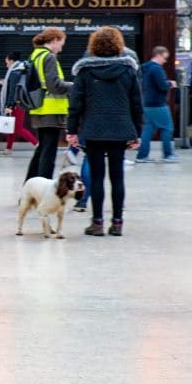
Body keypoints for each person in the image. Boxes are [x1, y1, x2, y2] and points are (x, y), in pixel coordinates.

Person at [66, 27, 142, 237]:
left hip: (93, 130)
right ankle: (117, 222)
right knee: (117, 177)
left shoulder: (84, 71)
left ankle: (97, 222)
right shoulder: (129, 71)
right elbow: (137, 103)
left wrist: (72, 130)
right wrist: (138, 132)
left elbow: (76, 103)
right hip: (120, 129)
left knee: (97, 177)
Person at [24, 27, 73, 182]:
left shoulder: (35, 56)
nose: (61, 48)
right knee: (48, 153)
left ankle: (29, 187)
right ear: (54, 40)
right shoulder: (49, 57)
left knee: (41, 150)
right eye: (61, 44)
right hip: (51, 110)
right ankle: (45, 189)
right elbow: (54, 85)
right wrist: (74, 86)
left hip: (38, 109)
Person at [135, 45, 179, 163]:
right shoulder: (156, 68)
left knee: (149, 129)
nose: (165, 61)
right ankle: (168, 154)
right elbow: (162, 85)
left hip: (147, 102)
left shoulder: (144, 67)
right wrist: (171, 84)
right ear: (158, 55)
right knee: (167, 128)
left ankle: (142, 156)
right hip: (158, 104)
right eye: (164, 58)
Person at [0, 51, 38, 155]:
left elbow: (13, 90)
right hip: (20, 102)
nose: (6, 65)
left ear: (12, 61)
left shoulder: (14, 72)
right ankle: (8, 149)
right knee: (11, 127)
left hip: (16, 104)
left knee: (19, 128)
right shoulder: (20, 70)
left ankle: (38, 145)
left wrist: (9, 105)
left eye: (7, 62)